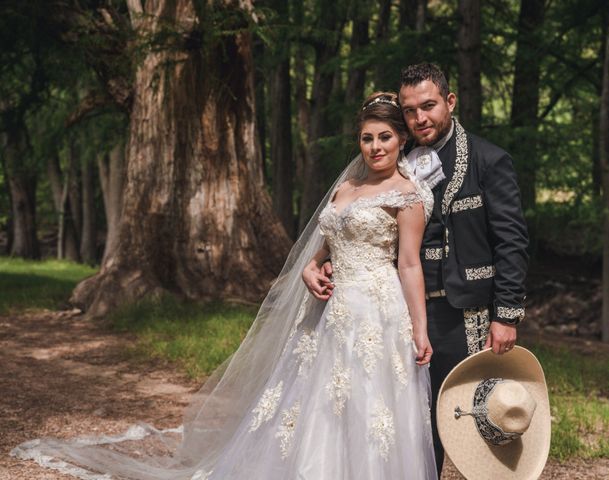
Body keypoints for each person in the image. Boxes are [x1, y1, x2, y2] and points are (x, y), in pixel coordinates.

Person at [12, 92, 440, 480]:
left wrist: (418, 329)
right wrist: (310, 268)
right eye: (367, 138)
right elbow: (324, 246)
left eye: (385, 137)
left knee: (369, 403)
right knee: (318, 403)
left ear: (402, 139)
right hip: (328, 311)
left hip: (375, 311)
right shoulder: (346, 187)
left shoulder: (407, 194)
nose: (375, 147)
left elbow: (408, 265)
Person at [306, 63, 529, 478]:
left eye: (428, 106)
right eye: (410, 110)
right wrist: (323, 260)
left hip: (464, 312)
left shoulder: (488, 161)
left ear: (450, 102)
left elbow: (512, 243)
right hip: (396, 311)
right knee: (408, 422)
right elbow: (360, 224)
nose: (420, 117)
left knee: (467, 418)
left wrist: (505, 315)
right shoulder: (391, 154)